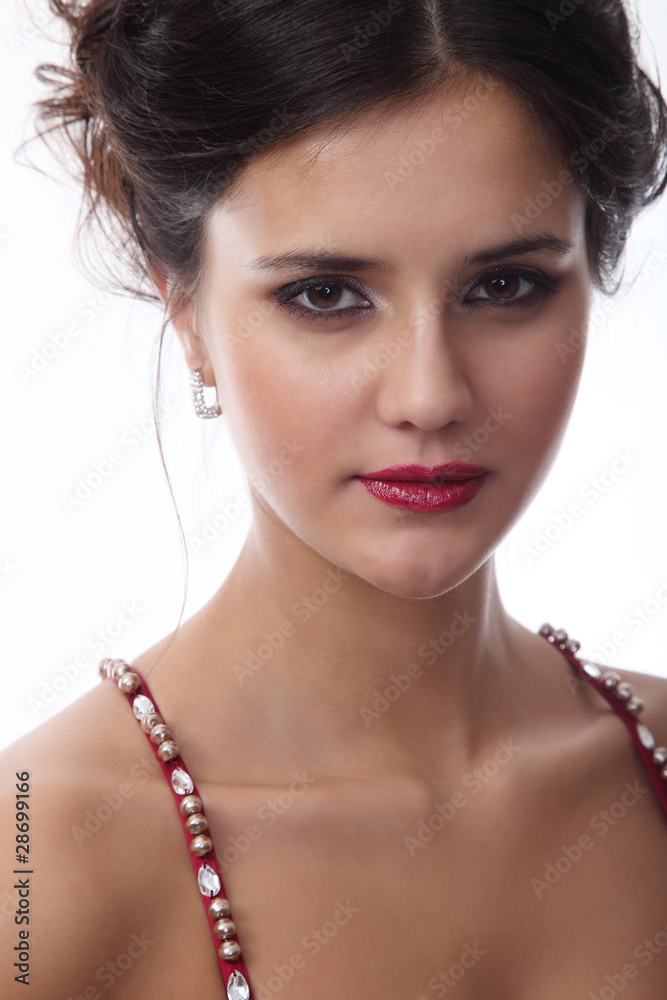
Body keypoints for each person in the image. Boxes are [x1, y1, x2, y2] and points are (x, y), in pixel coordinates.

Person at [2, 1, 667, 997]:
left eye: (505, 287)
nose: (430, 396)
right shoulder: (42, 861)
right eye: (325, 295)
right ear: (183, 307)